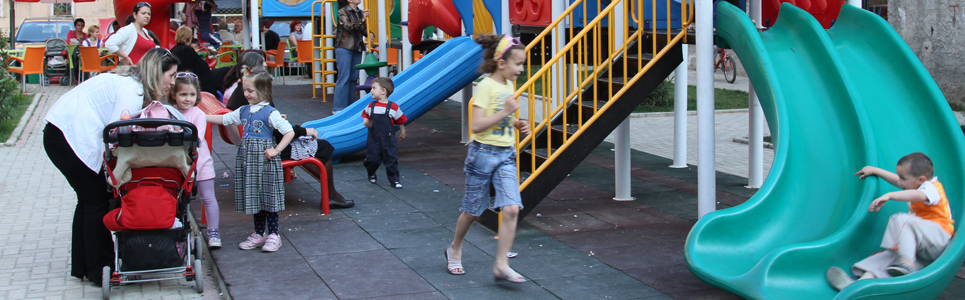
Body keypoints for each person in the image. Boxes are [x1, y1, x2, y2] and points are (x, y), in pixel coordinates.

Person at [42, 48, 179, 285]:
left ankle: (84, 267)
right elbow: (117, 134)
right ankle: (100, 270)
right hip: (68, 136)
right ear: (157, 73)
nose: (173, 82)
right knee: (96, 200)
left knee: (87, 200)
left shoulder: (129, 81)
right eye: (172, 76)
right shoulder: (133, 90)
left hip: (58, 132)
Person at [445, 34, 532, 283]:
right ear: (502, 63)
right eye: (518, 63)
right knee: (473, 211)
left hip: (505, 154)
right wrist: (506, 111)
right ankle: (455, 248)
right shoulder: (485, 86)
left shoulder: (507, 85)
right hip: (483, 154)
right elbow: (478, 125)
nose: (522, 69)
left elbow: (501, 118)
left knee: (512, 208)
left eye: (523, 64)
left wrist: (516, 122)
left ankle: (501, 264)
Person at [826, 152, 955, 291]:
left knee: (900, 219)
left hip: (938, 237)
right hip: (921, 248)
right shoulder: (915, 184)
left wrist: (890, 195)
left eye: (903, 178)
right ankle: (858, 285)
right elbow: (897, 181)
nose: (900, 181)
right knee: (887, 258)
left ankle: (906, 263)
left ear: (921, 180)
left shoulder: (931, 187)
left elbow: (917, 195)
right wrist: (876, 170)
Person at [206, 68, 295, 253]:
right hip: (250, 161)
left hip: (265, 161)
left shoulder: (271, 113)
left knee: (269, 196)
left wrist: (276, 150)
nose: (246, 94)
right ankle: (259, 232)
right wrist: (201, 116)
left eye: (250, 91)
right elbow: (225, 119)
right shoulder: (244, 110)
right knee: (255, 196)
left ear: (263, 90)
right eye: (245, 90)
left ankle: (274, 234)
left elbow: (289, 132)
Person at [167, 72, 222, 247]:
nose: (188, 99)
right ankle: (178, 232)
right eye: (183, 94)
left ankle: (214, 232)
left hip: (200, 161)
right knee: (177, 200)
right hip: (178, 164)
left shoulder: (197, 114)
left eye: (191, 94)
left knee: (208, 197)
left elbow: (195, 137)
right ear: (174, 94)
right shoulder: (169, 113)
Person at [272, 126, 355, 209]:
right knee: (323, 146)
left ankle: (329, 191)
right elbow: (283, 130)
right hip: (273, 149)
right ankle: (331, 195)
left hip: (265, 146)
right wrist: (304, 131)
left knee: (300, 142)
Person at [361, 77, 406, 189]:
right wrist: (366, 121)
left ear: (383, 91)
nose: (371, 90)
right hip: (374, 138)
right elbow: (365, 115)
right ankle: (370, 171)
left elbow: (401, 120)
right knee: (373, 159)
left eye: (374, 88)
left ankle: (394, 180)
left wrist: (403, 132)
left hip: (388, 138)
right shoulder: (371, 106)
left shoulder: (393, 107)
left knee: (391, 159)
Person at [333, 0, 368, 114]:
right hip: (344, 47)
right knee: (344, 76)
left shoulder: (360, 12)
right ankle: (338, 108)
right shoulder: (342, 12)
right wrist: (362, 20)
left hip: (356, 47)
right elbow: (348, 26)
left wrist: (370, 33)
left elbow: (362, 30)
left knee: (353, 78)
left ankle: (348, 107)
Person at [171, 26, 218, 96]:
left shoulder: (173, 50)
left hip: (181, 81)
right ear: (189, 38)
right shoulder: (187, 50)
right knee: (224, 71)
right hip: (196, 82)